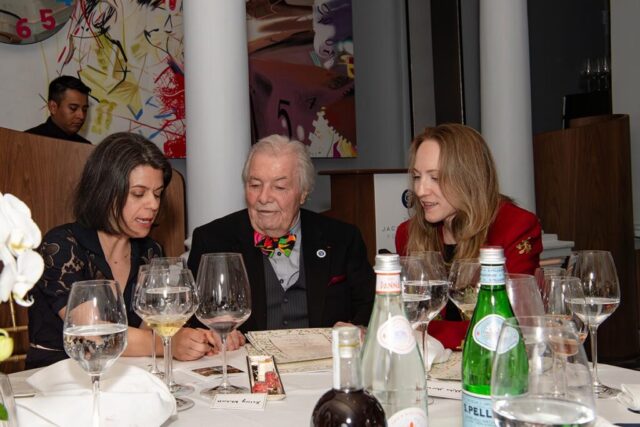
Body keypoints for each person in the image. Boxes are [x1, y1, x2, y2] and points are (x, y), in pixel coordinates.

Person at [26, 132, 240, 369]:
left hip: (127, 374)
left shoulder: (150, 251)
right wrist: (167, 344)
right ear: (104, 192)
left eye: (157, 194)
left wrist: (203, 335)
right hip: (59, 375)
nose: (154, 204)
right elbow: (93, 334)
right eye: (139, 193)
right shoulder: (61, 246)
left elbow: (151, 328)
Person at [187, 134, 375, 332]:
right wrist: (213, 334)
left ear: (303, 193)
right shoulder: (212, 240)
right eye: (255, 185)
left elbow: (370, 305)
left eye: (279, 187)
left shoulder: (343, 238)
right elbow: (192, 318)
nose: (263, 197)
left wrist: (359, 328)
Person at [394, 123, 542, 349]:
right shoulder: (407, 234)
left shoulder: (515, 227)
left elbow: (510, 327)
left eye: (436, 178)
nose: (421, 190)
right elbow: (398, 315)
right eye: (416, 176)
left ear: (469, 177)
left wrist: (420, 332)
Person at [25, 75, 92, 144]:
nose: (81, 116)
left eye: (84, 109)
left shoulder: (86, 146)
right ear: (53, 107)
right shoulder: (26, 140)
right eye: (73, 108)